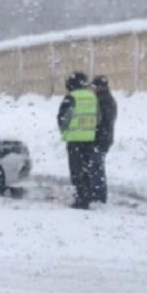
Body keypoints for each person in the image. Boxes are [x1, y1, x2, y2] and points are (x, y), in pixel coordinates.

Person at [57, 71, 101, 210]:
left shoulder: (71, 97)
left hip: (74, 139)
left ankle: (81, 198)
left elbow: (64, 117)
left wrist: (65, 130)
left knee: (76, 170)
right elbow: (99, 117)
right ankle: (87, 195)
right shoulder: (92, 97)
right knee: (86, 168)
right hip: (89, 138)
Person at [90, 74, 118, 204]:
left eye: (94, 86)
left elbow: (99, 120)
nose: (93, 89)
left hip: (100, 138)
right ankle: (98, 193)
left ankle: (98, 194)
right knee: (98, 166)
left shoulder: (101, 100)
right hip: (106, 137)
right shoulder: (109, 99)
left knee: (96, 167)